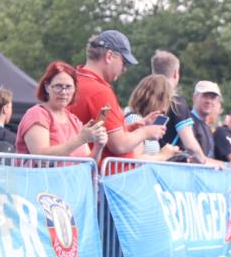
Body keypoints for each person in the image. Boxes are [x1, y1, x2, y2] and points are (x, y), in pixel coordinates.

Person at [67, 30, 165, 164]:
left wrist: (136, 126)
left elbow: (102, 128)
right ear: (109, 56)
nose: (124, 69)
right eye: (124, 62)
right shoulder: (100, 92)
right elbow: (119, 145)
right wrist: (146, 132)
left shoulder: (73, 80)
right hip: (108, 174)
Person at [17, 61, 107, 159]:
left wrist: (98, 147)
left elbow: (88, 163)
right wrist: (80, 139)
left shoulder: (74, 120)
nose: (63, 92)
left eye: (68, 87)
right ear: (47, 87)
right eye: (58, 86)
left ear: (74, 89)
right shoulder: (37, 115)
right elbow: (41, 159)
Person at [151, 50, 223, 166]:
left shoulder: (144, 98)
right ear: (176, 73)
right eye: (205, 96)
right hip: (167, 168)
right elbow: (190, 145)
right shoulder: (176, 102)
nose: (209, 101)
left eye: (213, 97)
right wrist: (205, 162)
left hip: (143, 165)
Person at [124, 75, 180, 161]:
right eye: (167, 98)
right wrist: (162, 155)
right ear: (158, 99)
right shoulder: (135, 119)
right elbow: (135, 158)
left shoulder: (144, 120)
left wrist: (167, 153)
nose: (168, 104)